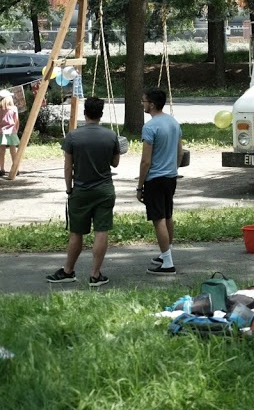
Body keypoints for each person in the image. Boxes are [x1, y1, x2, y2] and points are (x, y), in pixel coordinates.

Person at [45, 97, 121, 286]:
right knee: (101, 231)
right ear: (101, 115)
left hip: (81, 190)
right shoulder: (111, 136)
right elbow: (115, 163)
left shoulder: (73, 136)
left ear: (85, 113)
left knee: (76, 233)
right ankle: (95, 275)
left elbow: (67, 166)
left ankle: (68, 271)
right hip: (104, 189)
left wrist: (69, 188)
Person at [137, 87, 183, 274]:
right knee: (168, 215)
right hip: (171, 177)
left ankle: (168, 264)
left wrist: (140, 185)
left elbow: (146, 160)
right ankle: (166, 254)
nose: (142, 104)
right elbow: (180, 152)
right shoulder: (174, 122)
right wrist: (174, 169)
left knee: (158, 219)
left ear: (152, 104)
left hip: (155, 178)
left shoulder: (150, 127)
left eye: (144, 101)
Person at [0, 89, 19, 177]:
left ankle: (2, 169)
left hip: (1, 132)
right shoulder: (14, 108)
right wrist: (16, 130)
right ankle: (15, 169)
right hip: (12, 131)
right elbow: (17, 121)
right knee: (13, 151)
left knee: (1, 151)